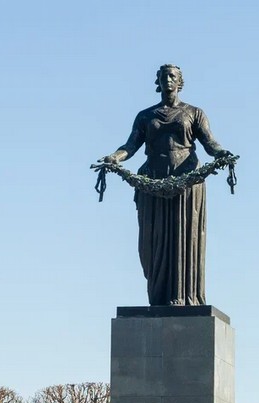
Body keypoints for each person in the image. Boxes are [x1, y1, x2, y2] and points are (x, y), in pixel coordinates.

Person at [98, 64, 234, 306]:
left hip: (186, 182)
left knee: (184, 238)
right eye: (164, 77)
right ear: (158, 82)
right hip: (152, 181)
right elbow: (130, 146)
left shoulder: (194, 113)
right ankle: (159, 297)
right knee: (152, 242)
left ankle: (183, 296)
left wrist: (222, 153)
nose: (168, 80)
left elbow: (210, 142)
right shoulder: (145, 116)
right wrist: (113, 157)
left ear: (179, 82)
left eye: (172, 76)